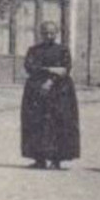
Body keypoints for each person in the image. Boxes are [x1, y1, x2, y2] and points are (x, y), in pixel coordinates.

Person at [21, 21, 81, 169]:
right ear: (41, 34)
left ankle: (57, 160)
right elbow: (29, 67)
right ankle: (39, 159)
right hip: (36, 91)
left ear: (57, 33)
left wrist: (50, 79)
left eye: (52, 33)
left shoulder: (63, 50)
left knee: (59, 123)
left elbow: (65, 69)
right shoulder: (33, 50)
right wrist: (50, 69)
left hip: (60, 92)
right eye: (46, 33)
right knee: (36, 123)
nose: (49, 36)